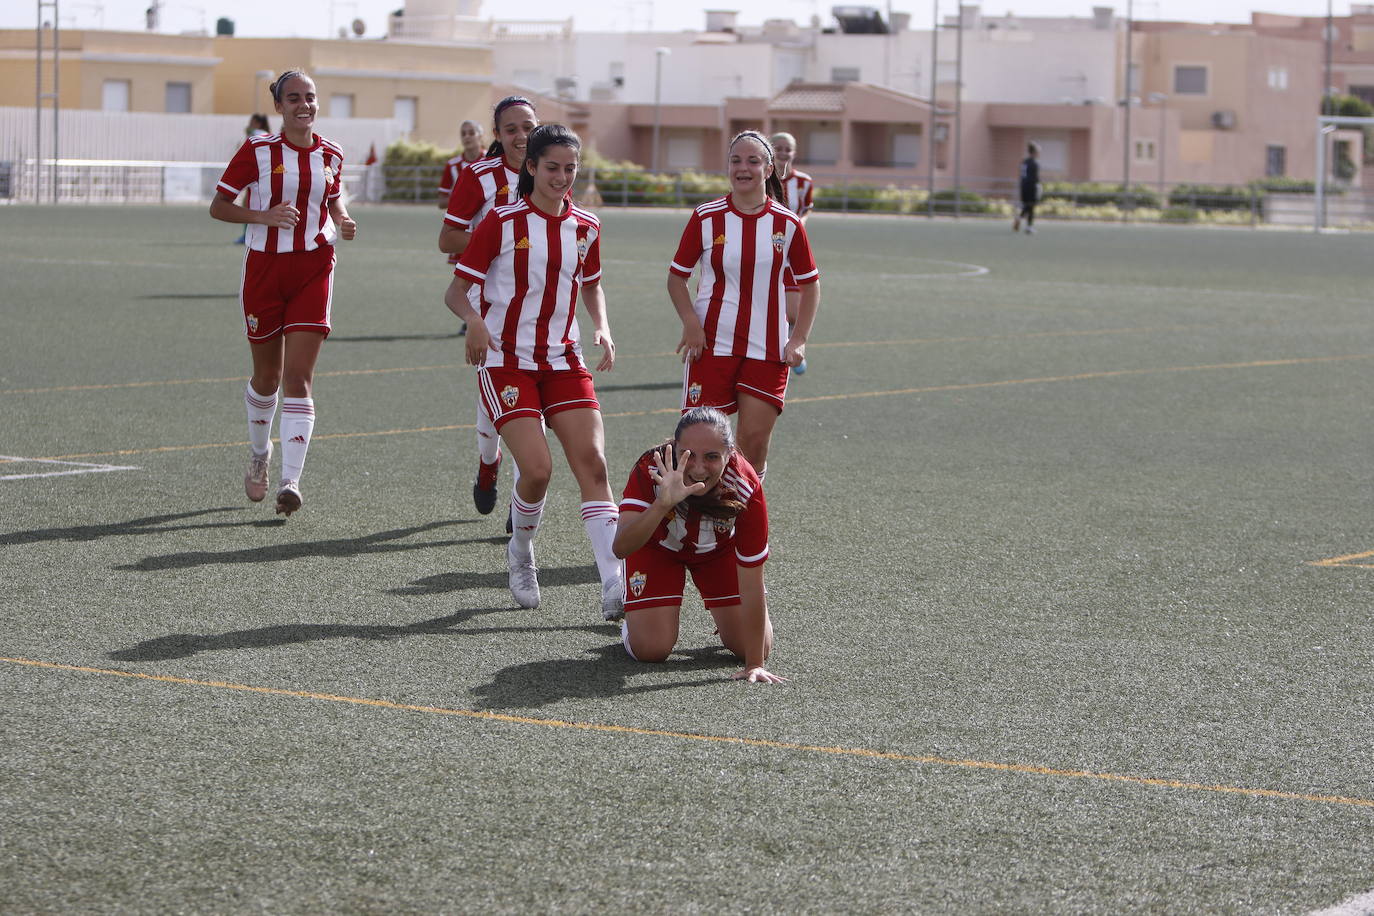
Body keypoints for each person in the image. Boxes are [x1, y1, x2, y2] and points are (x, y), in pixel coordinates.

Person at [444, 123, 625, 621]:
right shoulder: (502, 221)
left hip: (564, 360)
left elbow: (591, 284)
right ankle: (521, 554)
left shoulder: (587, 227)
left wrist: (603, 329)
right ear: (530, 167)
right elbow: (456, 291)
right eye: (552, 167)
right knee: (538, 471)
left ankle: (613, 583)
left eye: (570, 168)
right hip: (506, 362)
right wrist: (475, 321)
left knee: (593, 465)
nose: (562, 177)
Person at [210, 70, 357, 517]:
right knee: (267, 377)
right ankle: (260, 453)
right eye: (294, 98)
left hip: (315, 267)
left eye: (310, 97)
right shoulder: (257, 150)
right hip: (265, 270)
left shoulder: (331, 154)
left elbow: (332, 199)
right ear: (279, 106)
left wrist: (343, 218)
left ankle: (291, 481)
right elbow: (218, 206)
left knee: (299, 376)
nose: (304, 105)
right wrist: (263, 216)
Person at [667, 130, 821, 481]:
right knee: (696, 446)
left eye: (753, 161)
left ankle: (743, 524)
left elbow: (811, 285)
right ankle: (695, 526)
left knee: (754, 444)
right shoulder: (706, 217)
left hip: (767, 348)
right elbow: (676, 279)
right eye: (736, 160)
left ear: (769, 170)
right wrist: (691, 322)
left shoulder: (788, 224)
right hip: (711, 344)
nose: (743, 168)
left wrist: (798, 339)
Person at [613, 407, 783, 684]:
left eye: (713, 457)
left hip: (717, 553)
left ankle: (727, 618)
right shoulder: (652, 467)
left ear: (730, 455)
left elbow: (752, 577)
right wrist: (662, 503)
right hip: (657, 548)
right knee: (652, 650)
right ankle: (633, 618)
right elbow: (621, 547)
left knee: (757, 647)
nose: (700, 468)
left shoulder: (745, 484)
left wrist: (754, 664)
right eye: (689, 455)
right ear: (675, 448)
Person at [440, 97, 539, 518]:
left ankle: (521, 500)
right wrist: (495, 240)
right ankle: (488, 463)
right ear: (496, 135)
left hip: (541, 303)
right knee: (496, 390)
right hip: (490, 303)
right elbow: (448, 239)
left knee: (529, 394)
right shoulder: (478, 175)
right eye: (511, 129)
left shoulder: (551, 172)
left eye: (528, 127)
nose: (521, 136)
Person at [770, 131, 816, 375]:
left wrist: (802, 221)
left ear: (794, 152)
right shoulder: (762, 180)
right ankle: (773, 350)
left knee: (794, 312)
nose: (783, 153)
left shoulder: (804, 182)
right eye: (777, 148)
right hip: (768, 249)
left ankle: (794, 343)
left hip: (794, 251)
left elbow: (807, 208)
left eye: (787, 149)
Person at [232, 113, 272, 245]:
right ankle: (248, 234)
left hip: (256, 174)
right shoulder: (266, 133)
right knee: (248, 203)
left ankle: (248, 235)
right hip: (263, 174)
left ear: (257, 123)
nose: (249, 124)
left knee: (248, 205)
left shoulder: (256, 133)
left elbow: (246, 150)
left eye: (252, 122)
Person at [1013, 141, 1041, 234]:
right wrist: (1038, 187)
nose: (1039, 154)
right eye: (1038, 151)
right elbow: (1035, 178)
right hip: (1031, 187)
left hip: (1023, 186)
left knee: (1026, 206)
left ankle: (1019, 218)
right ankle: (1029, 227)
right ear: (1034, 152)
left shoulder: (1024, 162)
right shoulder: (1034, 163)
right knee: (1031, 207)